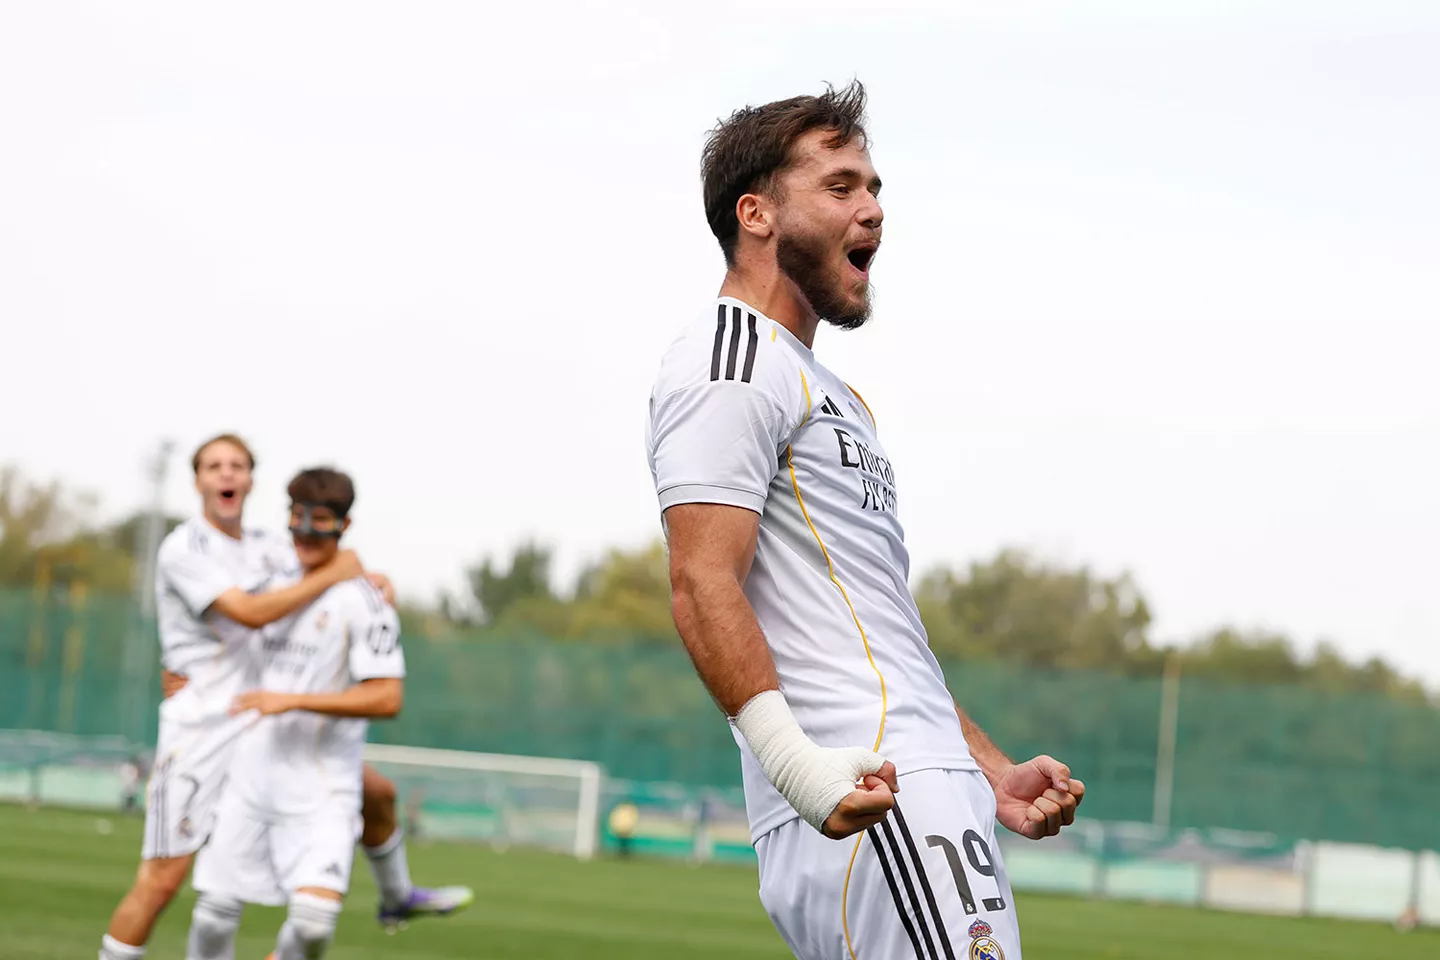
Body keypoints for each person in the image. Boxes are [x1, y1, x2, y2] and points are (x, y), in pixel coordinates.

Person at [645, 81, 1085, 960]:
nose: (873, 210)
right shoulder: (730, 360)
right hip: (869, 789)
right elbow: (700, 581)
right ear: (757, 213)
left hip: (920, 784)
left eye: (875, 188)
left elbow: (878, 636)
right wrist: (799, 766)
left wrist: (989, 768)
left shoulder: (832, 392)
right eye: (842, 187)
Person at [97, 436, 468, 960]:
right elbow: (250, 613)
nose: (226, 474)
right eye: (213, 466)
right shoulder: (185, 547)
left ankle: (397, 895)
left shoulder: (269, 545)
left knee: (377, 792)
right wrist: (343, 573)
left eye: (237, 465)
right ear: (197, 480)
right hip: (206, 726)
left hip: (261, 728)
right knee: (163, 882)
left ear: (250, 479)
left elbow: (322, 565)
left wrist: (368, 577)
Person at [186, 467, 405, 960]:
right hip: (250, 774)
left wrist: (292, 700)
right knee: (213, 914)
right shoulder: (265, 576)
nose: (305, 530)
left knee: (311, 927)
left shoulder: (365, 601)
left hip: (323, 787)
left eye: (320, 520)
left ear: (343, 526)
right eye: (297, 517)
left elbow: (387, 697)